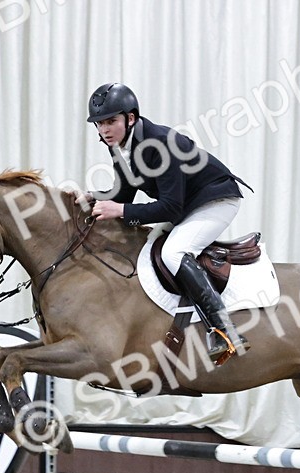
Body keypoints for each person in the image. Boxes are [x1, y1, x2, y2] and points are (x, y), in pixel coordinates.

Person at [78, 83, 251, 361]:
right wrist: (91, 197)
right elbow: (123, 194)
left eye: (111, 121)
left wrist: (120, 209)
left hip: (216, 200)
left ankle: (224, 330)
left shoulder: (160, 143)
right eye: (99, 124)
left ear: (130, 118)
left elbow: (170, 207)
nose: (104, 130)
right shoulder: (119, 145)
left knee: (173, 252)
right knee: (144, 250)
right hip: (187, 206)